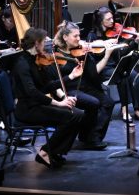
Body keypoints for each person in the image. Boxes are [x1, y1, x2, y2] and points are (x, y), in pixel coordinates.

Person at [10, 28, 84, 169]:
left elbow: (47, 86)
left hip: (37, 104)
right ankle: (45, 152)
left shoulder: (37, 60)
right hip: (27, 109)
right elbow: (32, 92)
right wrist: (59, 103)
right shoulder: (22, 63)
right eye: (44, 42)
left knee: (78, 114)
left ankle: (54, 151)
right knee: (70, 116)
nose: (46, 45)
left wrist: (71, 76)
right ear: (37, 43)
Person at [54, 22, 121, 148]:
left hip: (85, 87)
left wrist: (96, 55)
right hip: (69, 89)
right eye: (75, 36)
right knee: (93, 103)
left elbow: (93, 73)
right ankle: (87, 136)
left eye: (79, 35)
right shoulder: (57, 54)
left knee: (108, 102)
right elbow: (54, 80)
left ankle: (92, 136)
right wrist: (63, 96)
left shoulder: (81, 51)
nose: (79, 39)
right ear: (65, 37)